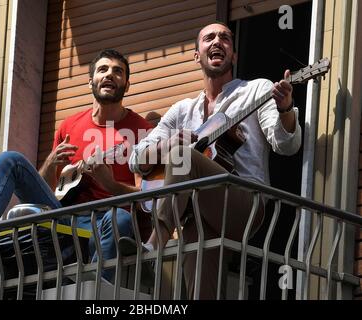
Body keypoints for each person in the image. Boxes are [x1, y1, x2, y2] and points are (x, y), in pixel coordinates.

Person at [0, 49, 153, 282]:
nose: (109, 75)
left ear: (127, 85)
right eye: (103, 69)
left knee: (120, 218)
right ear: (91, 82)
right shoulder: (69, 126)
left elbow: (147, 195)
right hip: (68, 218)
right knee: (10, 160)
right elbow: (48, 194)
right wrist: (50, 163)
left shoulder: (143, 131)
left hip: (110, 219)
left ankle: (98, 290)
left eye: (118, 71)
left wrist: (110, 183)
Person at [123, 22, 302, 299]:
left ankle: (154, 245)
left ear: (234, 55)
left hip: (244, 202)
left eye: (225, 38)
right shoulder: (181, 111)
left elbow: (286, 145)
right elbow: (136, 160)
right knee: (201, 286)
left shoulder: (257, 90)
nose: (218, 41)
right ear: (197, 54)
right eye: (209, 38)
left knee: (184, 155)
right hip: (199, 211)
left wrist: (286, 108)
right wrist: (168, 144)